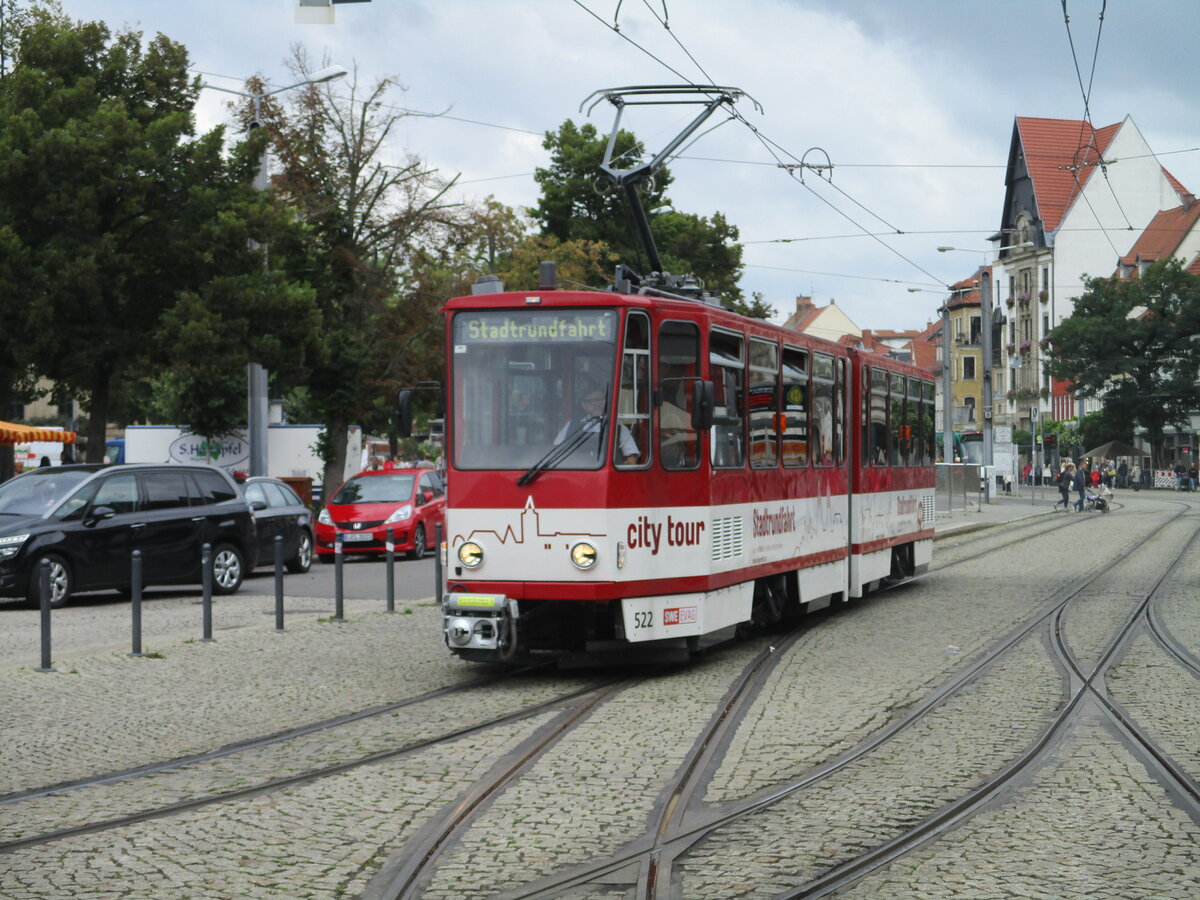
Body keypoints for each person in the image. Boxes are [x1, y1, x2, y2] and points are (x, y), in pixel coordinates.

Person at [554, 389, 639, 464]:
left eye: (601, 400)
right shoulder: (572, 425)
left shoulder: (618, 427)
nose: (598, 404)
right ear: (584, 405)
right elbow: (557, 450)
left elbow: (631, 456)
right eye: (592, 401)